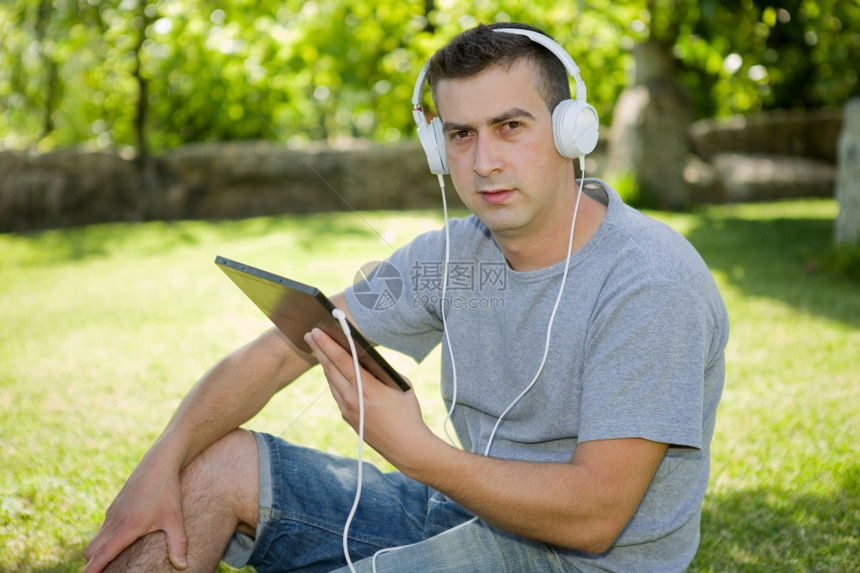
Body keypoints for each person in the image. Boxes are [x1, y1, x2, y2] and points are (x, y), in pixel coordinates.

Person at [84, 22, 728, 573]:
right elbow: (285, 348)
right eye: (461, 135)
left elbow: (597, 516)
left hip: (583, 558)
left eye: (510, 127)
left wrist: (418, 452)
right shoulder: (453, 255)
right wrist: (158, 466)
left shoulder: (649, 280)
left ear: (570, 132)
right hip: (467, 506)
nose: (482, 163)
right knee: (214, 462)